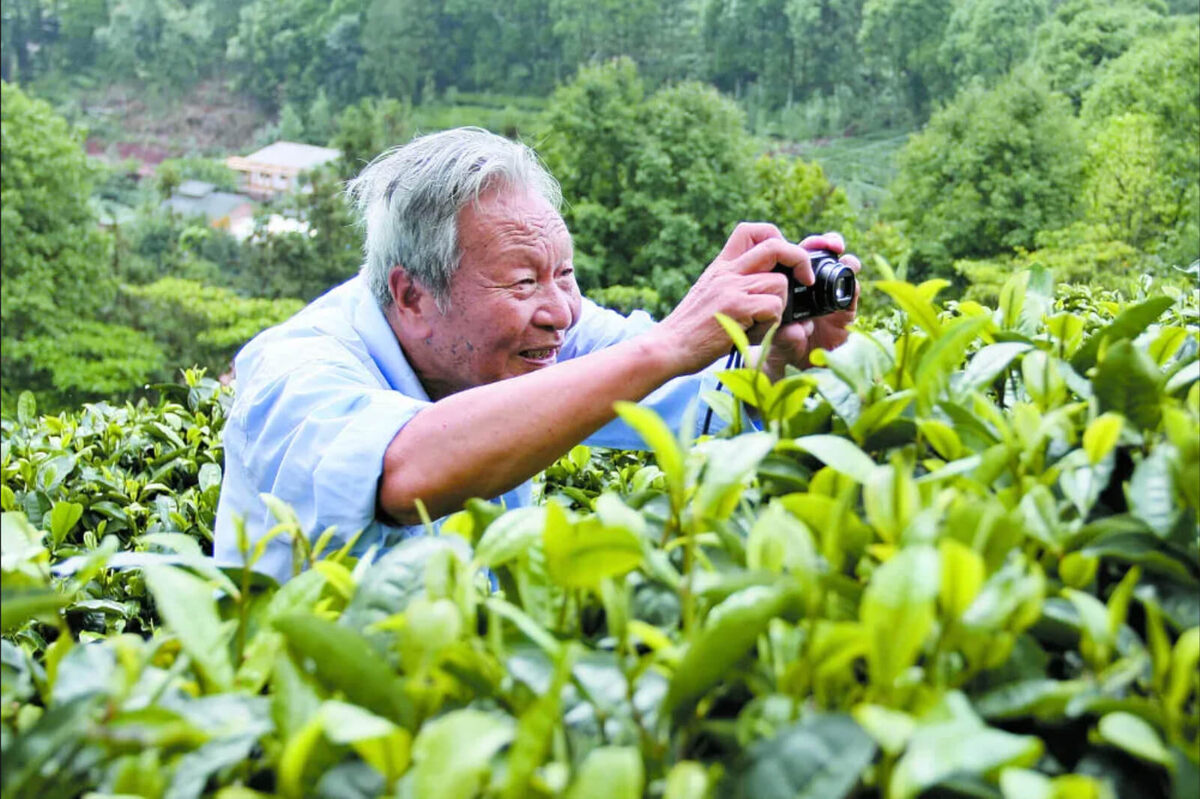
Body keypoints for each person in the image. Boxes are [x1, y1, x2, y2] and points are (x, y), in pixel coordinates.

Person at [212, 127, 859, 582]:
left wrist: (779, 359)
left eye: (565, 274)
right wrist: (669, 342)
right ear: (411, 293)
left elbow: (691, 398)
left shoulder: (539, 333)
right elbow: (403, 471)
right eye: (523, 282)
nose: (561, 311)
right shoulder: (294, 370)